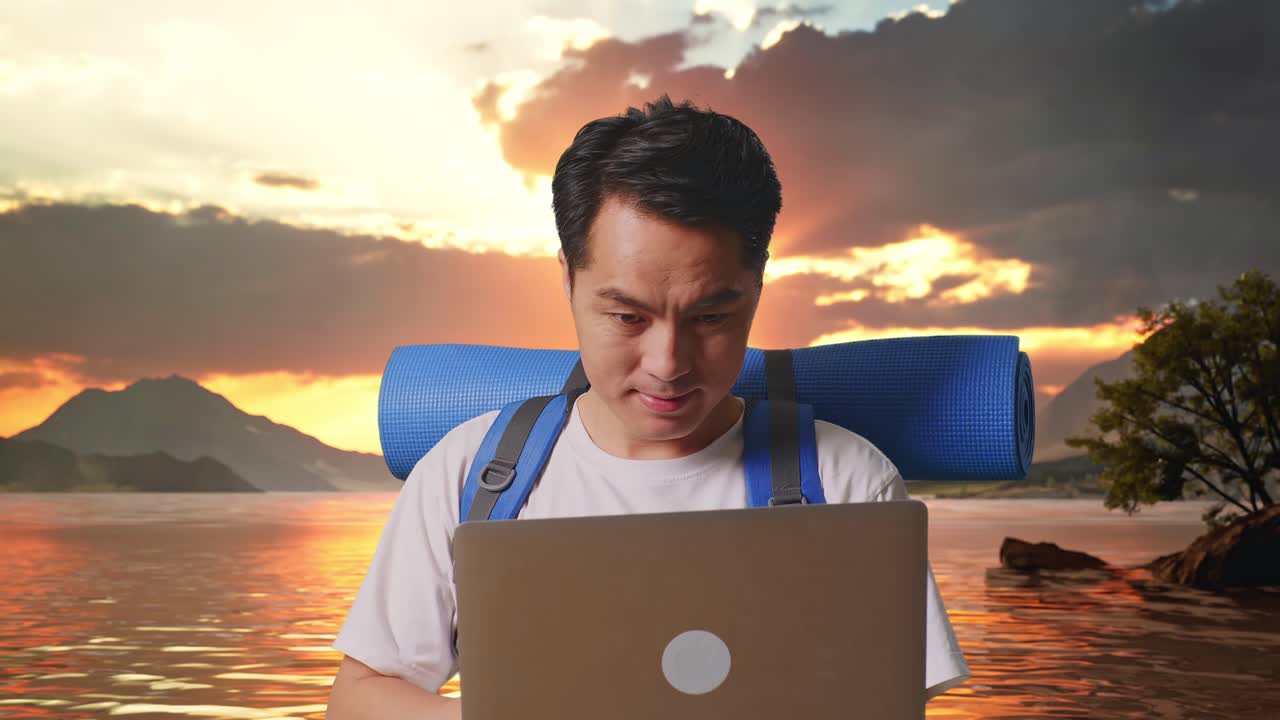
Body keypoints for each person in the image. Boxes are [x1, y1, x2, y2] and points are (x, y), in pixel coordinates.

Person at [325, 94, 970, 719]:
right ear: (568, 281)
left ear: (757, 288)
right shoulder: (473, 472)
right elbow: (360, 696)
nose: (668, 362)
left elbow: (887, 702)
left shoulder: (847, 484)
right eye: (626, 316)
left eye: (711, 316)